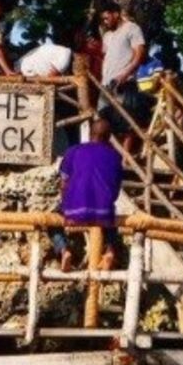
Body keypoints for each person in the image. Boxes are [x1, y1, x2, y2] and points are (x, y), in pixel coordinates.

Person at [52, 117, 123, 273]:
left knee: (50, 223)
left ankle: (64, 250)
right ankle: (110, 250)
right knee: (112, 218)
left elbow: (64, 184)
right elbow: (116, 191)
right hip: (103, 212)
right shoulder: (116, 157)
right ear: (109, 137)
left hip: (74, 212)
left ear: (90, 134)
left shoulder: (73, 152)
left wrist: (66, 207)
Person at [99, 2, 147, 147]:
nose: (105, 21)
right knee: (103, 118)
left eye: (107, 18)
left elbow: (139, 55)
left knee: (125, 122)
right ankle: (108, 153)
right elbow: (106, 56)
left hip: (124, 82)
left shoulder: (132, 28)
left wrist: (125, 74)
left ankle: (125, 158)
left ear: (116, 14)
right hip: (106, 83)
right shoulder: (107, 35)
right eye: (103, 19)